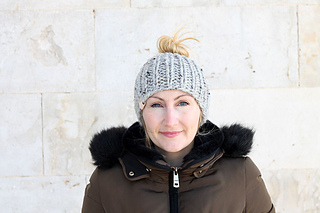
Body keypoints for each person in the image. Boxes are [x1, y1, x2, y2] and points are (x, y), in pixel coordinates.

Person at [82, 29, 275, 213]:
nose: (171, 120)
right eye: (157, 105)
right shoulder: (107, 181)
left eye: (182, 103)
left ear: (200, 110)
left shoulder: (241, 174)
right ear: (142, 112)